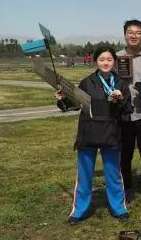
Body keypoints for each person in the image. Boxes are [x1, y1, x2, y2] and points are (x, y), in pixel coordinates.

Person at [56, 46, 132, 225]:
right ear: (96, 61)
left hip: (111, 133)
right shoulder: (86, 82)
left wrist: (121, 99)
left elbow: (128, 109)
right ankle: (79, 210)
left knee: (113, 173)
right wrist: (62, 99)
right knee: (84, 174)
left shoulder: (121, 83)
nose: (105, 63)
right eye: (102, 59)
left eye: (109, 60)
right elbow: (75, 104)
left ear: (115, 62)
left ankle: (119, 208)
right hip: (88, 133)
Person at [116, 19, 141, 207]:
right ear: (125, 35)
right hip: (122, 114)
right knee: (124, 155)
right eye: (130, 32)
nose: (134, 35)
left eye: (138, 33)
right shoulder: (115, 57)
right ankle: (126, 189)